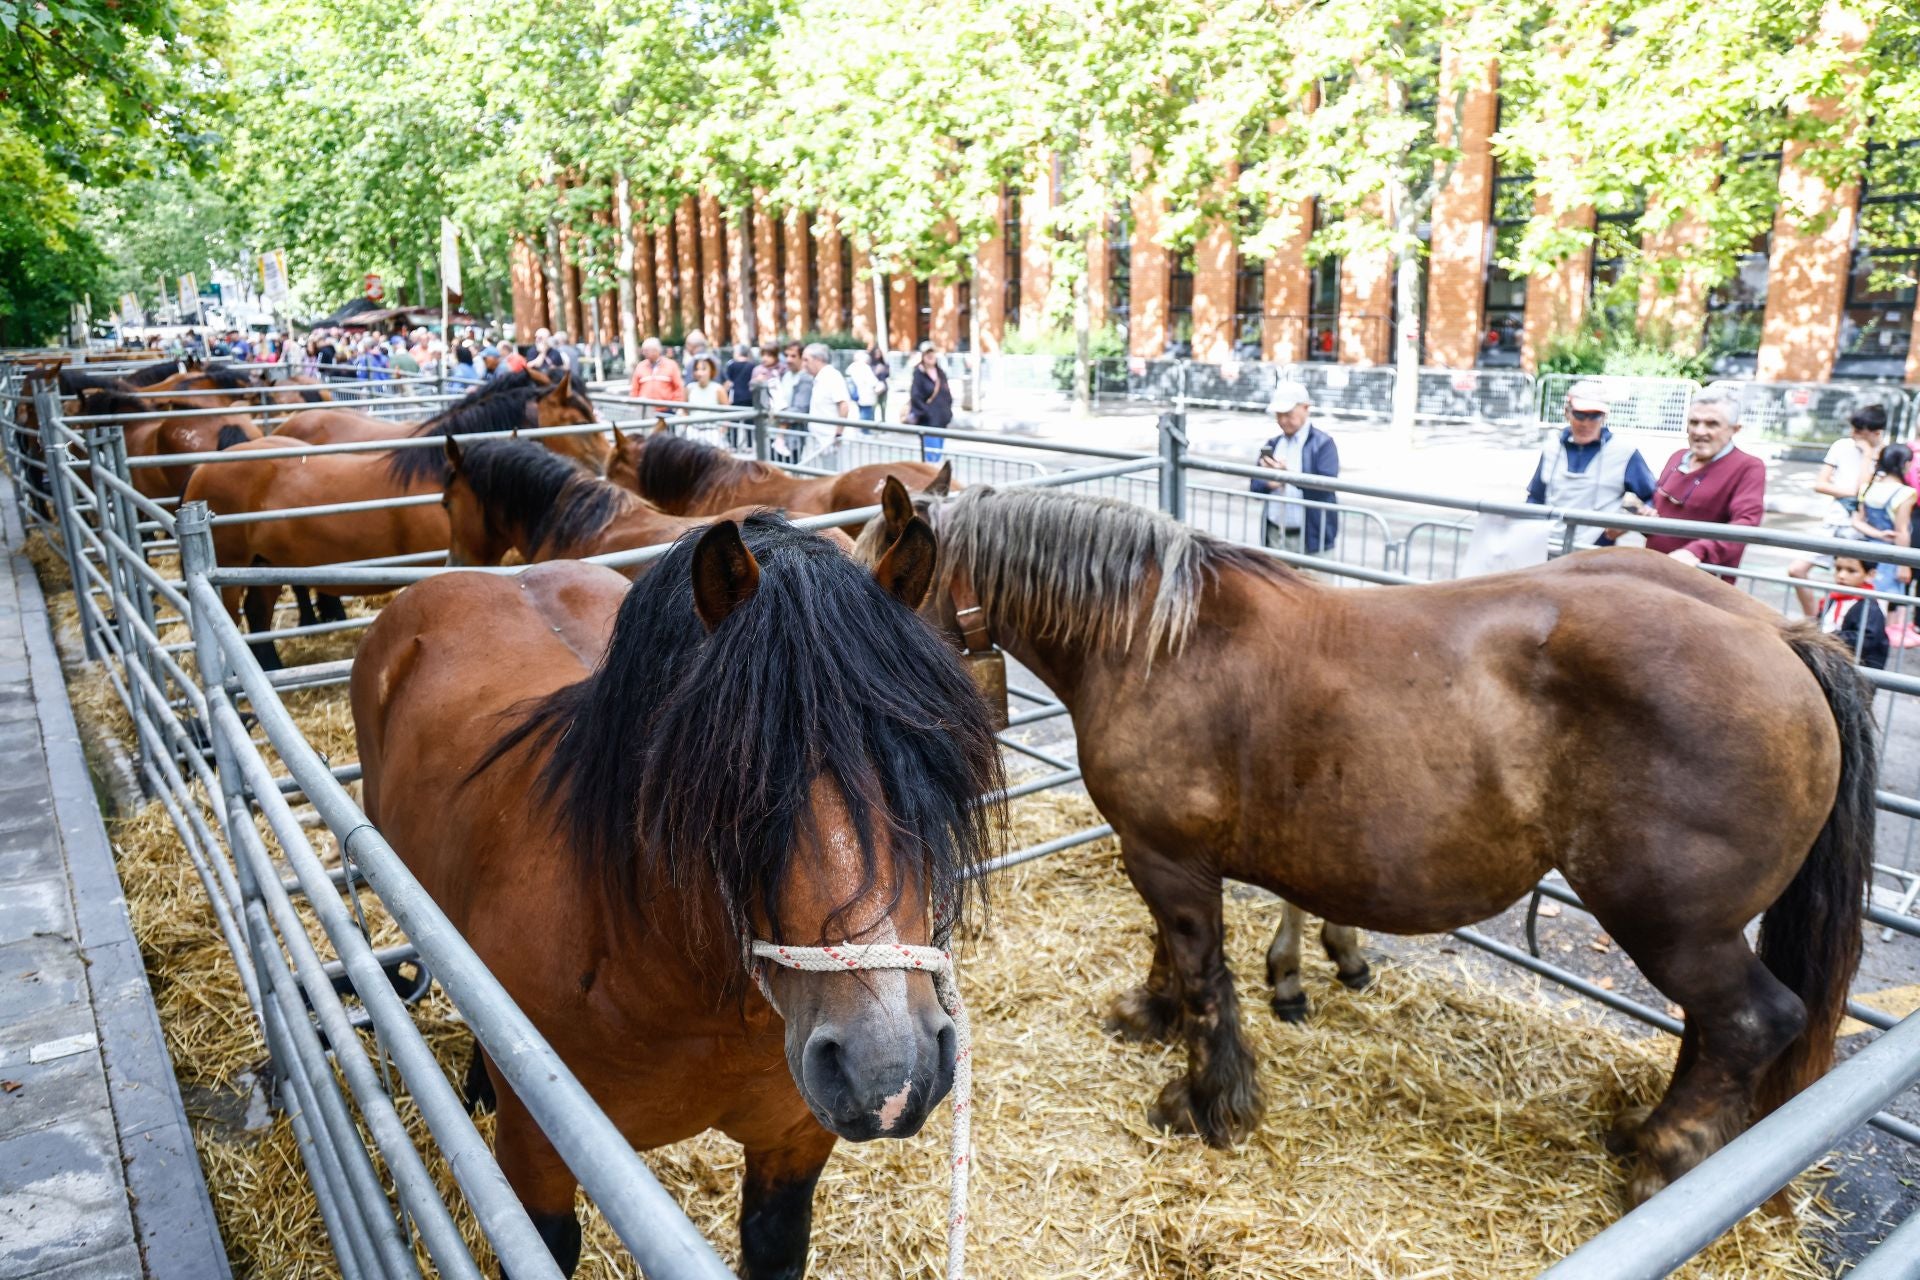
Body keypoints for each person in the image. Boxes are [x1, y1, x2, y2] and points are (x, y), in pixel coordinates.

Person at [1643, 384, 1766, 572]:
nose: (1699, 431)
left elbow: (1746, 524)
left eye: (1712, 424)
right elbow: (1659, 506)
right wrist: (1643, 518)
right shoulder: (1677, 457)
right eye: (1694, 422)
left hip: (1701, 580)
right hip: (1654, 572)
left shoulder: (1749, 467)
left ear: (1735, 429)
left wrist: (1696, 552)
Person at [1523, 380, 1657, 545]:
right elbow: (1536, 497)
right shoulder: (1551, 447)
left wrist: (1629, 522)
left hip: (1596, 551)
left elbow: (1653, 497)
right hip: (1548, 545)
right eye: (1580, 415)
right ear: (1567, 412)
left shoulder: (1624, 452)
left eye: (1595, 415)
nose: (1586, 423)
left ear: (1604, 416)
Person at [1789, 403, 1888, 611]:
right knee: (1797, 570)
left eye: (1860, 432)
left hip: (1861, 527)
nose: (1854, 435)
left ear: (1876, 433)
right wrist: (1852, 492)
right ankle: (1814, 619)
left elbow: (1865, 491)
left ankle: (1842, 622)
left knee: (1853, 584)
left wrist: (1868, 455)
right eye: (1853, 429)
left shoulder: (1885, 454)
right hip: (1834, 521)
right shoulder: (1842, 446)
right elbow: (1821, 484)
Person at [1248, 381, 1340, 556]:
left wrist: (1288, 477)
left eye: (1288, 414)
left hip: (1313, 539)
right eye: (1279, 415)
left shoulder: (1323, 444)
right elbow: (1254, 486)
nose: (1283, 420)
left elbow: (1326, 487)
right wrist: (1269, 483)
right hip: (1275, 535)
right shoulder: (1273, 444)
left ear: (1305, 408)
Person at [1851, 443, 1916, 597]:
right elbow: (1902, 532)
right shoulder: (1905, 493)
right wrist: (1904, 565)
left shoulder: (1867, 487)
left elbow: (1857, 521)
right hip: (1891, 557)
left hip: (1866, 553)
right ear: (1906, 464)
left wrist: (1879, 534)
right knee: (1887, 600)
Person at [1808, 553, 1889, 669]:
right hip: (1829, 660)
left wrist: (1829, 637)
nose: (1841, 575)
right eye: (1838, 569)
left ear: (1870, 574)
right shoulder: (1832, 598)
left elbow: (1866, 639)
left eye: (1851, 571)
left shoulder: (1869, 606)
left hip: (1856, 667)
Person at [801, 342, 852, 462]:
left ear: (818, 359)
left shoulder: (831, 376)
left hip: (830, 440)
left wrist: (838, 434)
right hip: (821, 439)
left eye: (806, 360)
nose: (803, 364)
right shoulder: (820, 377)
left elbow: (844, 405)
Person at [906, 342, 952, 462]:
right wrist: (926, 412)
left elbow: (946, 393)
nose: (931, 356)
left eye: (932, 353)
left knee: (938, 453)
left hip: (942, 420)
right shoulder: (919, 374)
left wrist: (948, 411)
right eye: (927, 354)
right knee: (932, 455)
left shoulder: (940, 373)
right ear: (922, 356)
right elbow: (915, 396)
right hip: (928, 421)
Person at [628, 336, 686, 405]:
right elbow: (634, 389)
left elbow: (679, 387)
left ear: (656, 350)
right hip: (645, 408)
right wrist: (634, 404)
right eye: (643, 350)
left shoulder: (671, 365)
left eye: (646, 350)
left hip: (667, 408)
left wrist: (677, 404)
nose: (643, 353)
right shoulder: (640, 366)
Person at [846, 350, 882, 424]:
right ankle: (863, 429)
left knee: (861, 412)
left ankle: (861, 428)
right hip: (866, 396)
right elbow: (873, 381)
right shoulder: (865, 368)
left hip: (857, 395)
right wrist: (880, 385)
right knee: (866, 415)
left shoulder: (852, 367)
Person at [724, 343, 756, 408]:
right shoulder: (752, 365)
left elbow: (728, 383)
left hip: (736, 397)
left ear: (737, 353)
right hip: (750, 397)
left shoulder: (731, 365)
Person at [867, 344, 892, 421]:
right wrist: (876, 371)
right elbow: (869, 376)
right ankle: (872, 421)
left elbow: (887, 375)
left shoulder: (884, 364)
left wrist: (885, 369)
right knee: (873, 406)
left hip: (883, 389)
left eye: (879, 353)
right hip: (874, 389)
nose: (878, 354)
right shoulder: (870, 365)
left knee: (883, 406)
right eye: (876, 352)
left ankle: (883, 421)